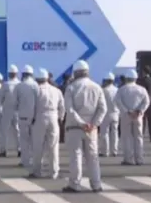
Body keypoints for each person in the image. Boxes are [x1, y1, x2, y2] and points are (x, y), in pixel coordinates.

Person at [62, 60, 106, 192]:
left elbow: (69, 110)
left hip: (75, 127)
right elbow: (102, 109)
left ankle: (75, 184)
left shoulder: (71, 88)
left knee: (76, 156)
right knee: (93, 157)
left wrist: (81, 123)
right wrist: (94, 124)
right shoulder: (97, 87)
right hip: (91, 128)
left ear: (75, 73)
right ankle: (96, 184)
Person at [29, 70, 65, 179]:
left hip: (40, 116)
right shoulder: (56, 90)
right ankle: (54, 172)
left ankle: (37, 171)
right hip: (53, 117)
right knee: (53, 146)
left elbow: (32, 106)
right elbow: (62, 107)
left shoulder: (36, 90)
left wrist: (32, 120)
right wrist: (60, 118)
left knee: (38, 146)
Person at [114, 70, 150, 166]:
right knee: (138, 137)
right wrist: (140, 111)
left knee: (127, 137)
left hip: (126, 115)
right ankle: (139, 159)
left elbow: (117, 101)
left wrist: (127, 111)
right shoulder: (142, 89)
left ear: (126, 78)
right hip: (138, 116)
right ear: (136, 78)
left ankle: (129, 159)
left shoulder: (122, 89)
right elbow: (146, 102)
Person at [13, 65, 39, 168]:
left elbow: (15, 102)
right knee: (34, 140)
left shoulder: (19, 86)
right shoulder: (36, 85)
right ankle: (35, 160)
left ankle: (25, 161)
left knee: (24, 140)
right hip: (34, 117)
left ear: (23, 74)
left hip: (22, 116)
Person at [0, 65, 20, 158]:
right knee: (18, 131)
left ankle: (3, 150)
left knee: (4, 131)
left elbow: (0, 97)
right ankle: (20, 150)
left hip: (7, 110)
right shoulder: (20, 84)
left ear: (9, 74)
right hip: (17, 110)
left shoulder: (6, 85)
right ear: (16, 74)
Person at [99, 73, 120, 157]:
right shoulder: (117, 90)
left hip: (106, 113)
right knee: (115, 132)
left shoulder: (103, 90)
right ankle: (114, 150)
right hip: (116, 113)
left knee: (104, 132)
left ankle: (105, 151)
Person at [137, 66, 151, 143]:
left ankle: (141, 135)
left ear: (144, 72)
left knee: (142, 119)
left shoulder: (140, 81)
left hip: (142, 101)